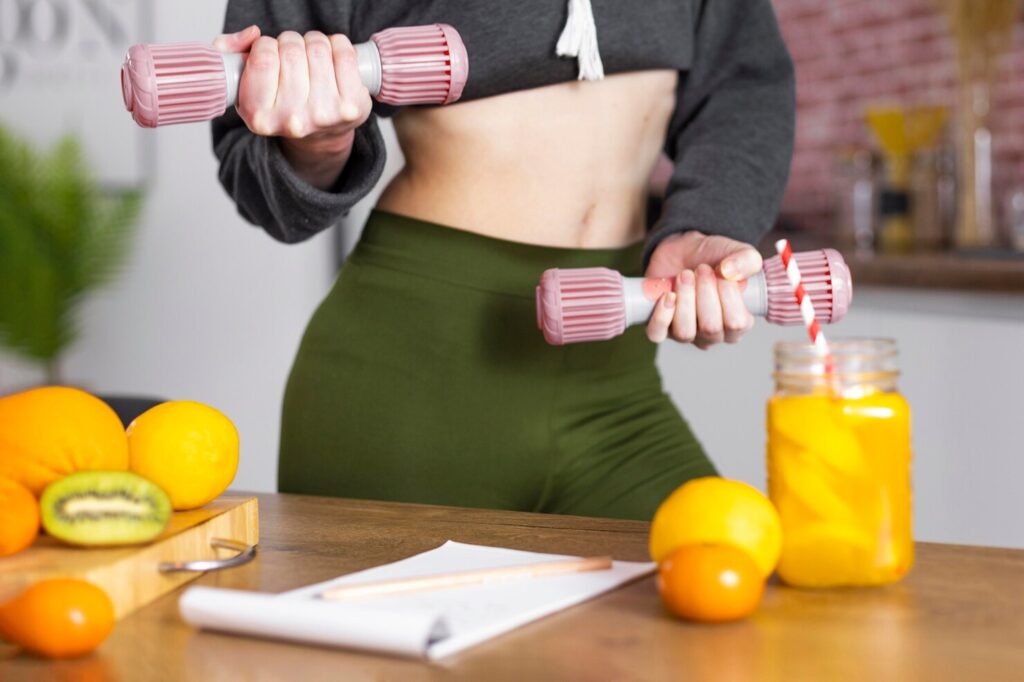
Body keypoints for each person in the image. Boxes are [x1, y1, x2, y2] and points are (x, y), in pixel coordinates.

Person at [212, 1, 794, 520]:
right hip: (415, 379)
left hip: (614, 387)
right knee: (378, 641)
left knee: (726, 611)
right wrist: (315, 142)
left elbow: (743, 87)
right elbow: (264, 185)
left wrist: (707, 223)